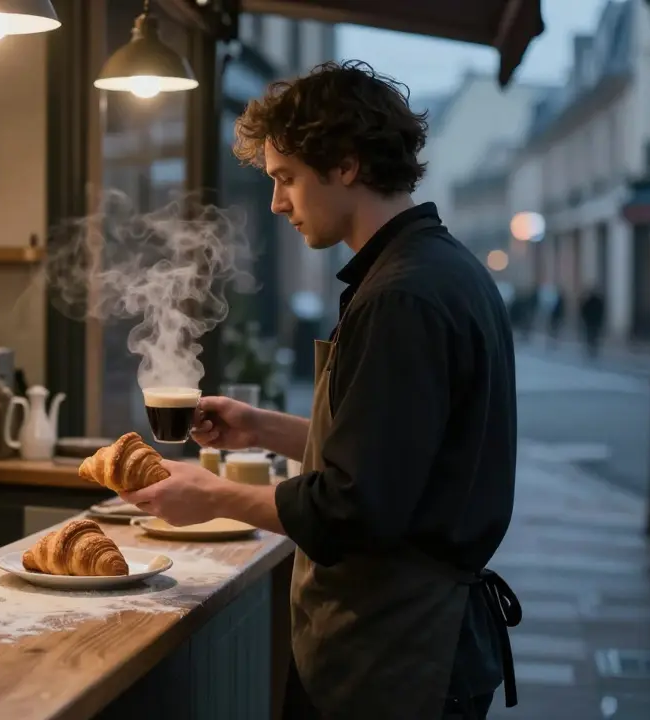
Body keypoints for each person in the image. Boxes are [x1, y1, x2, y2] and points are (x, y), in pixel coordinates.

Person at [118, 60, 521, 720]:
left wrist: (210, 494)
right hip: (416, 642)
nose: (278, 203)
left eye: (287, 178)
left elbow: (355, 507)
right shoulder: (437, 270)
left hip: (396, 656)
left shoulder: (402, 298)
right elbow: (395, 460)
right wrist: (260, 426)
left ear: (345, 164)